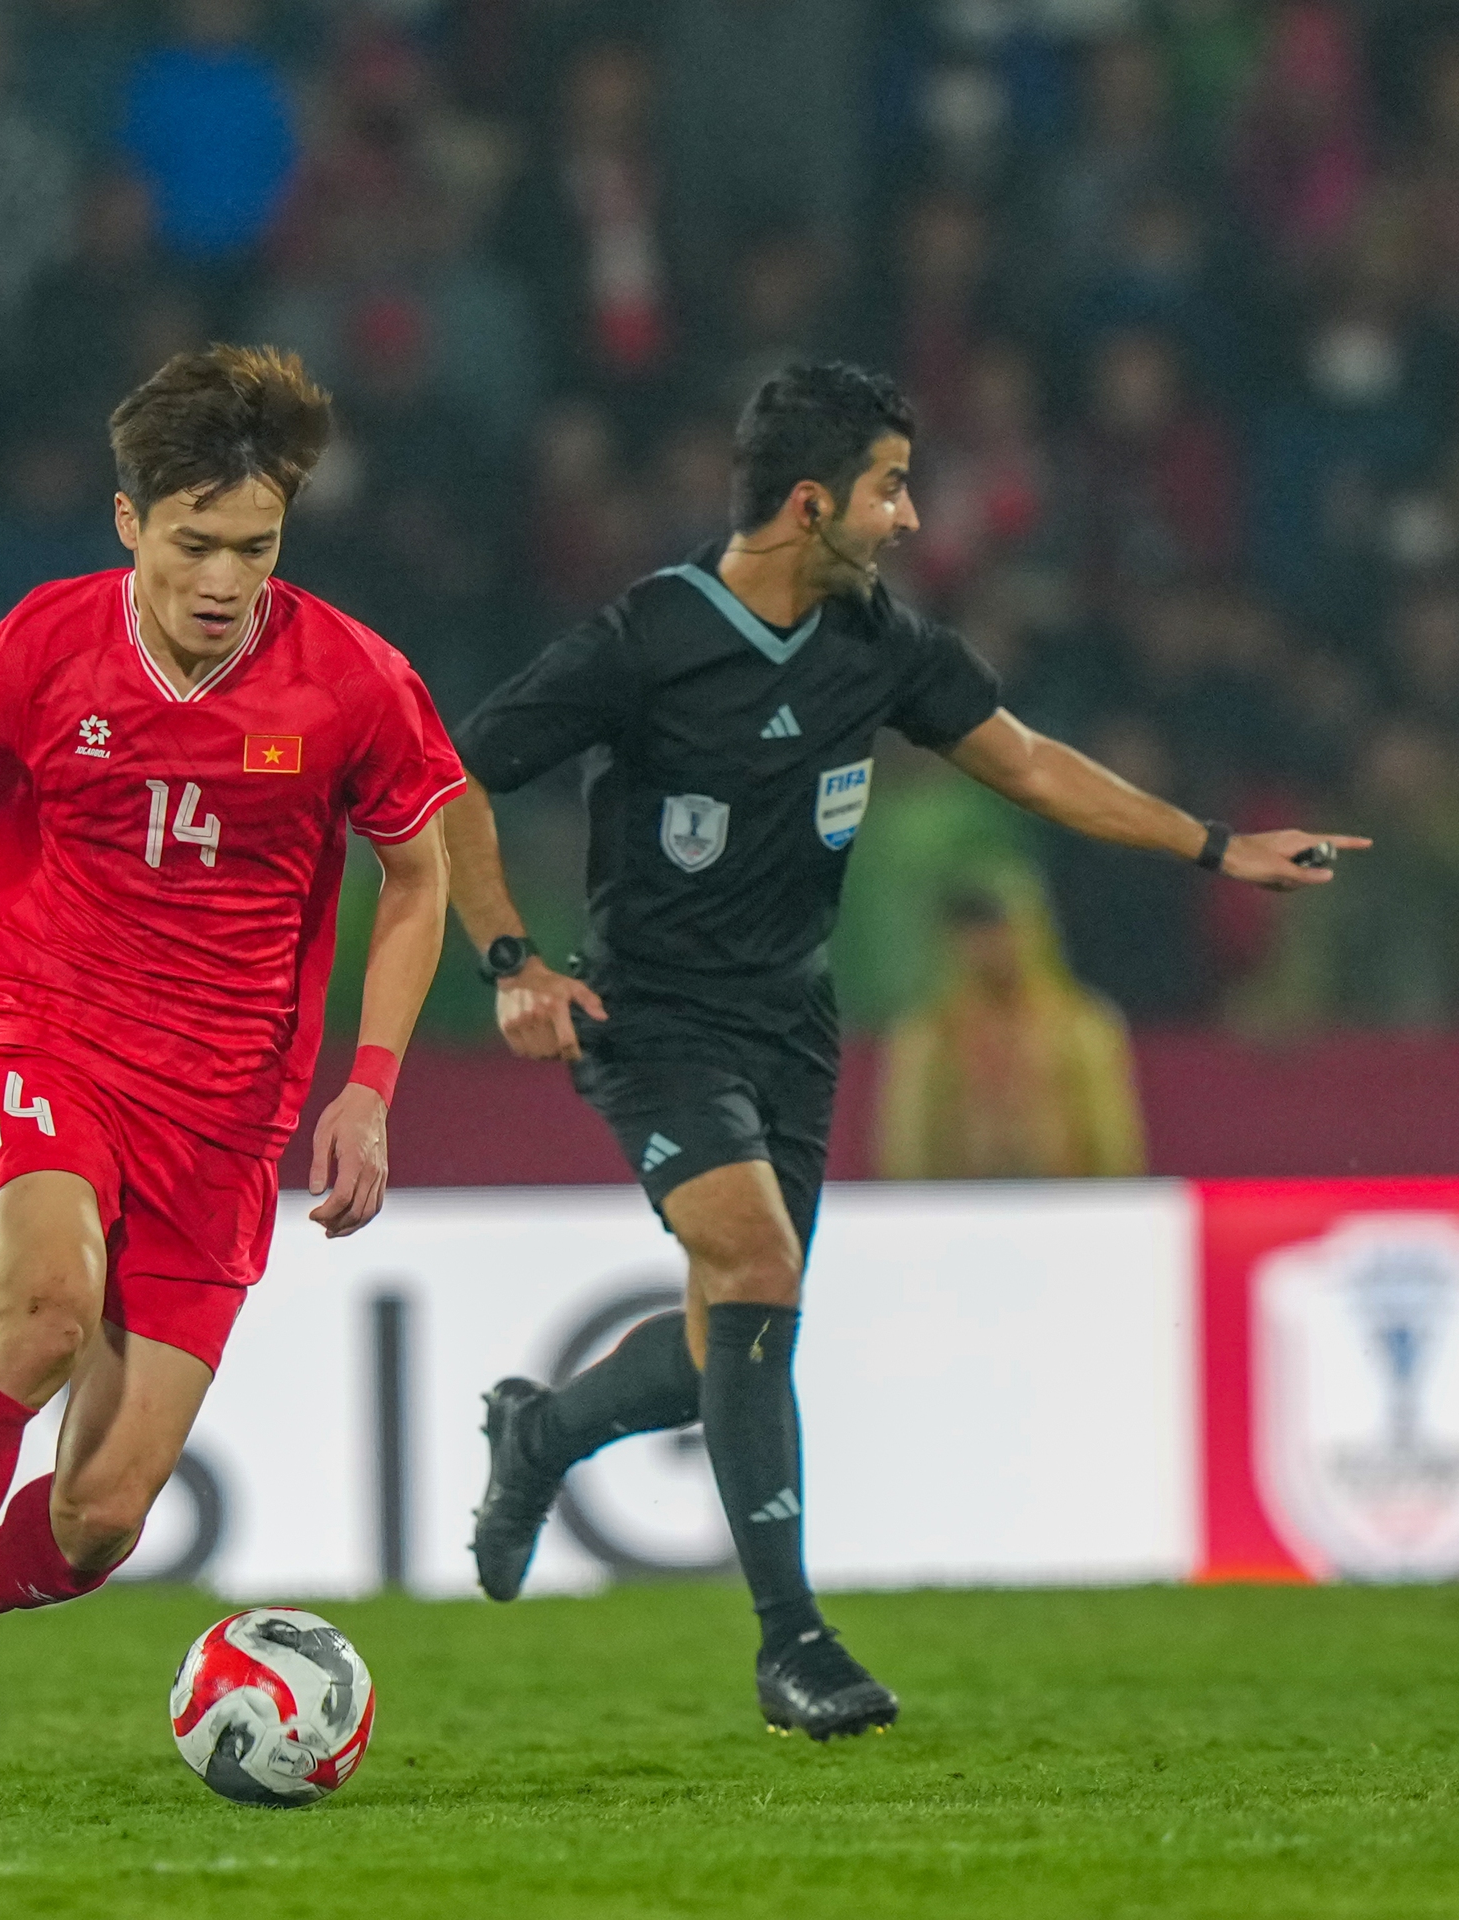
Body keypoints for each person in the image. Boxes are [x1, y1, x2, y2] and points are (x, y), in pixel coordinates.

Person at [445, 362, 1362, 1740]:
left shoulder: (879, 641)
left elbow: (1033, 762)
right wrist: (513, 957)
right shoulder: (647, 639)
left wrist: (1218, 846)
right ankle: (791, 1645)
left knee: (730, 1340)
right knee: (754, 1272)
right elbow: (450, 776)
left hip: (795, 1025)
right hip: (654, 1024)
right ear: (811, 501)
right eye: (888, 487)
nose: (910, 515)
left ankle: (545, 1433)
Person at [0, 345, 463, 1811]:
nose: (221, 578)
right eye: (194, 542)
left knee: (102, 1514)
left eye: (253, 549)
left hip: (232, 1110)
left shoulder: (354, 682)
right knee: (43, 1308)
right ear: (129, 522)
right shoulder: (32, 652)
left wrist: (371, 1081)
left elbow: (416, 878)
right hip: (46, 1036)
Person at [875, 881, 1147, 1181]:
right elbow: (907, 1143)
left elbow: (1112, 1138)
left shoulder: (1080, 1028)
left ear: (1031, 931)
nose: (986, 946)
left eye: (996, 929)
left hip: (1064, 1209)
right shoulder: (928, 1035)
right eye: (972, 933)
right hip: (958, 1214)